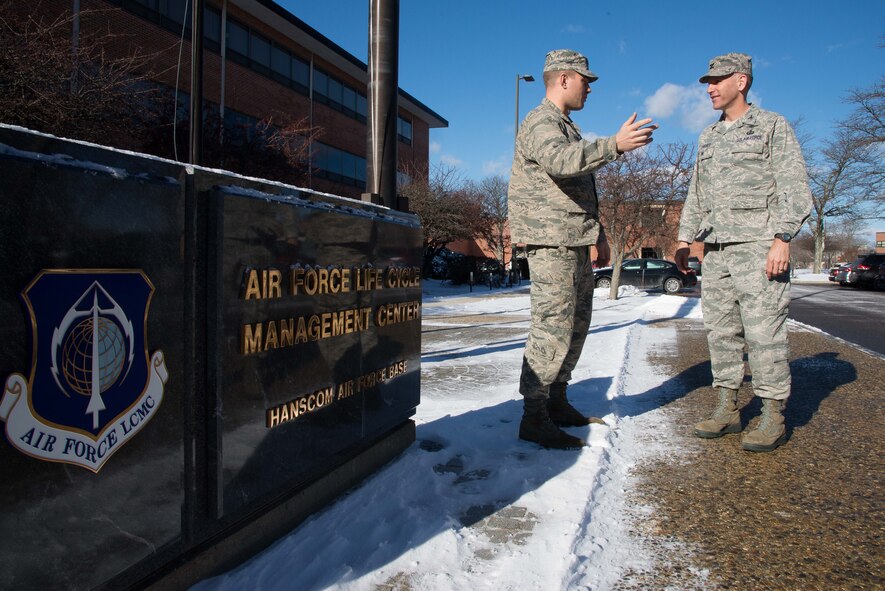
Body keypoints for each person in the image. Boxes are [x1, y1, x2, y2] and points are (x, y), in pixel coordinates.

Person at [508, 49, 657, 449]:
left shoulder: (567, 126)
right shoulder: (541, 121)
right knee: (552, 328)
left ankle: (556, 401)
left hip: (574, 238)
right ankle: (534, 415)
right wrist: (615, 145)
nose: (590, 87)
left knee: (576, 326)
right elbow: (560, 162)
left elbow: (577, 190)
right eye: (585, 80)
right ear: (563, 79)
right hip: (552, 240)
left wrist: (600, 234)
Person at [674, 53, 812, 452]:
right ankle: (727, 409)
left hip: (759, 248)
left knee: (764, 334)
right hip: (716, 251)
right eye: (707, 82)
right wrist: (685, 240)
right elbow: (696, 192)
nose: (709, 88)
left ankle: (772, 416)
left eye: (717, 80)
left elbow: (794, 186)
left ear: (741, 80)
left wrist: (782, 238)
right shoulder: (709, 136)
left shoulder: (771, 126)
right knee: (721, 333)